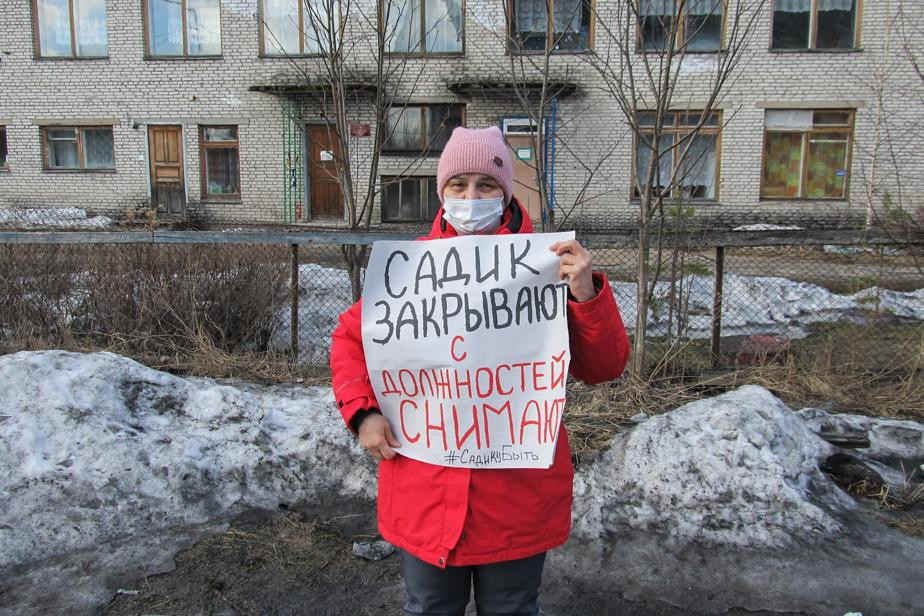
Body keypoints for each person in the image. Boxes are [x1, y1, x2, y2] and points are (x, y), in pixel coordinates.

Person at [331, 126, 630, 616]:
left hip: (515, 494)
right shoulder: (410, 271)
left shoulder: (550, 265)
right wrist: (362, 413)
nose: (472, 197)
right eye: (458, 185)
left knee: (511, 609)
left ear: (506, 192)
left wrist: (585, 294)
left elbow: (605, 368)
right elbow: (349, 340)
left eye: (486, 185)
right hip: (426, 486)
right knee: (429, 608)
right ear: (442, 193)